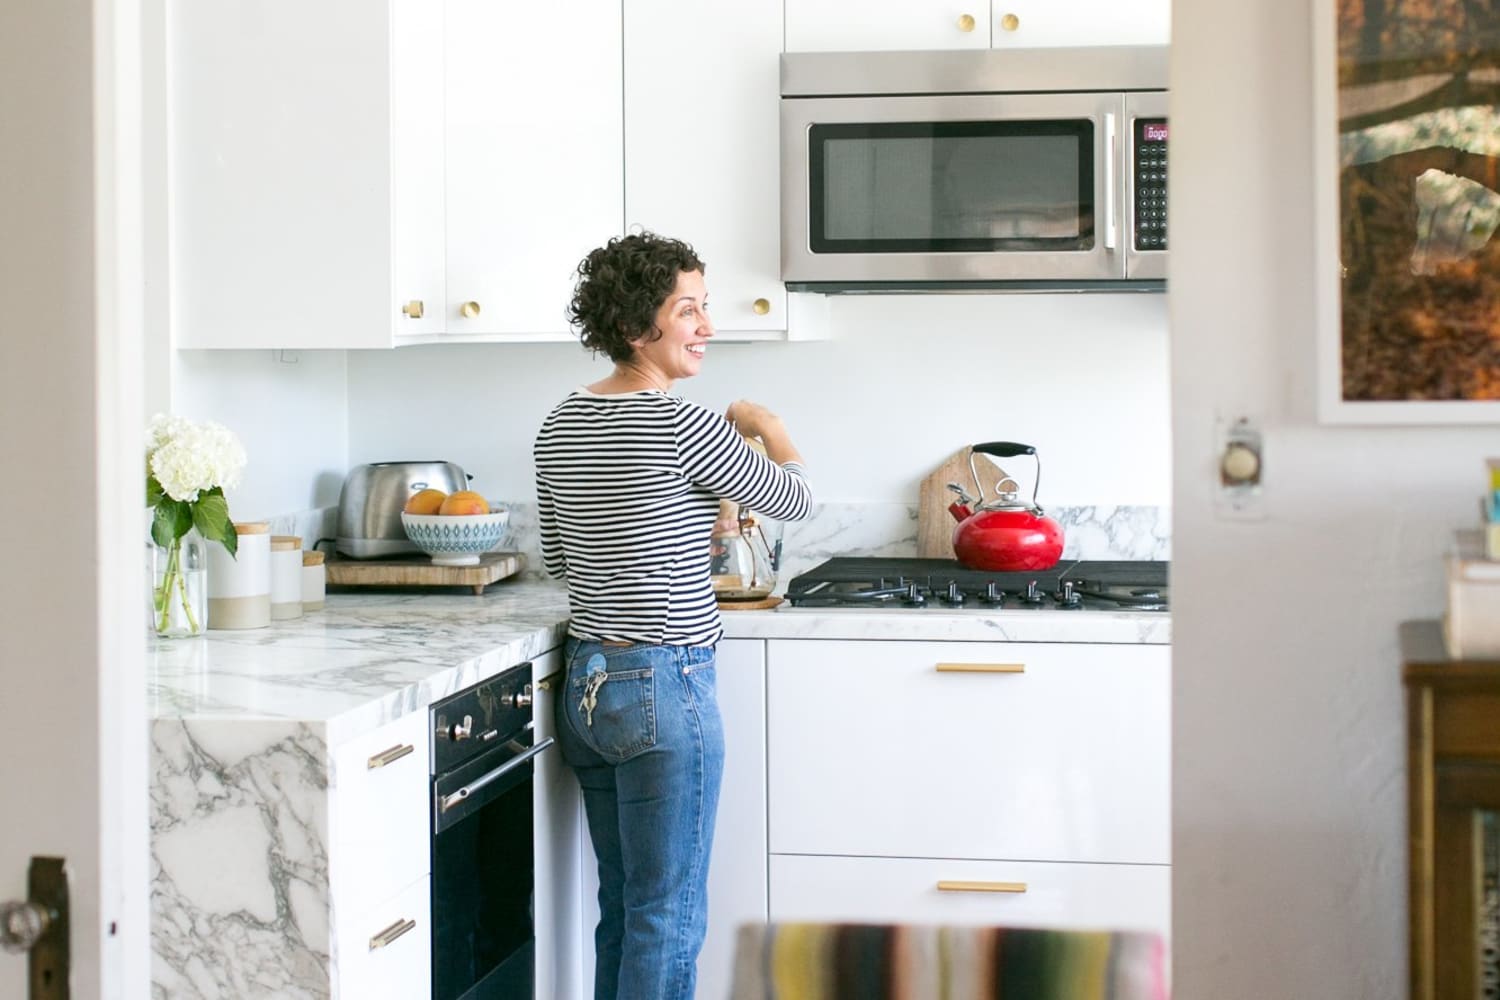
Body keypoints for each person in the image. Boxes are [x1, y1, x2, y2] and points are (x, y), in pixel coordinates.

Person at [532, 231, 813, 1000]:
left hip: (589, 684)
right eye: (687, 310)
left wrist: (694, 520)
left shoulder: (559, 423)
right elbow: (794, 500)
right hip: (666, 682)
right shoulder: (682, 422)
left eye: (704, 307)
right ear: (635, 327)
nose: (706, 327)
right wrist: (765, 423)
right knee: (671, 914)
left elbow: (562, 559)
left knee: (626, 907)